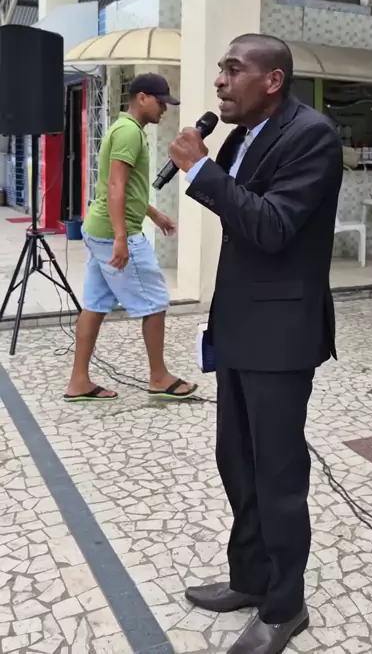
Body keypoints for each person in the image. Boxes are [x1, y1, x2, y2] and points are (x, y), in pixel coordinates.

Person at [170, 34, 342, 654]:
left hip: (282, 336)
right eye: (221, 69)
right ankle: (249, 577)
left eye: (233, 69)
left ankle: (284, 606)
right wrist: (212, 169)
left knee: (277, 476)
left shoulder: (312, 136)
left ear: (272, 80)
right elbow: (241, 222)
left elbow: (271, 227)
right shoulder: (241, 135)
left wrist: (201, 171)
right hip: (239, 326)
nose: (220, 80)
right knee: (236, 462)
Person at [64, 73, 197, 403]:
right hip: (113, 232)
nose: (164, 109)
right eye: (161, 102)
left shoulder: (125, 129)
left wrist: (154, 214)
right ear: (141, 98)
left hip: (99, 229)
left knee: (95, 305)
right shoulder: (128, 133)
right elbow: (116, 186)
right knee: (155, 302)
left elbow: (126, 186)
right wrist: (122, 237)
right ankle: (159, 378)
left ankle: (78, 381)